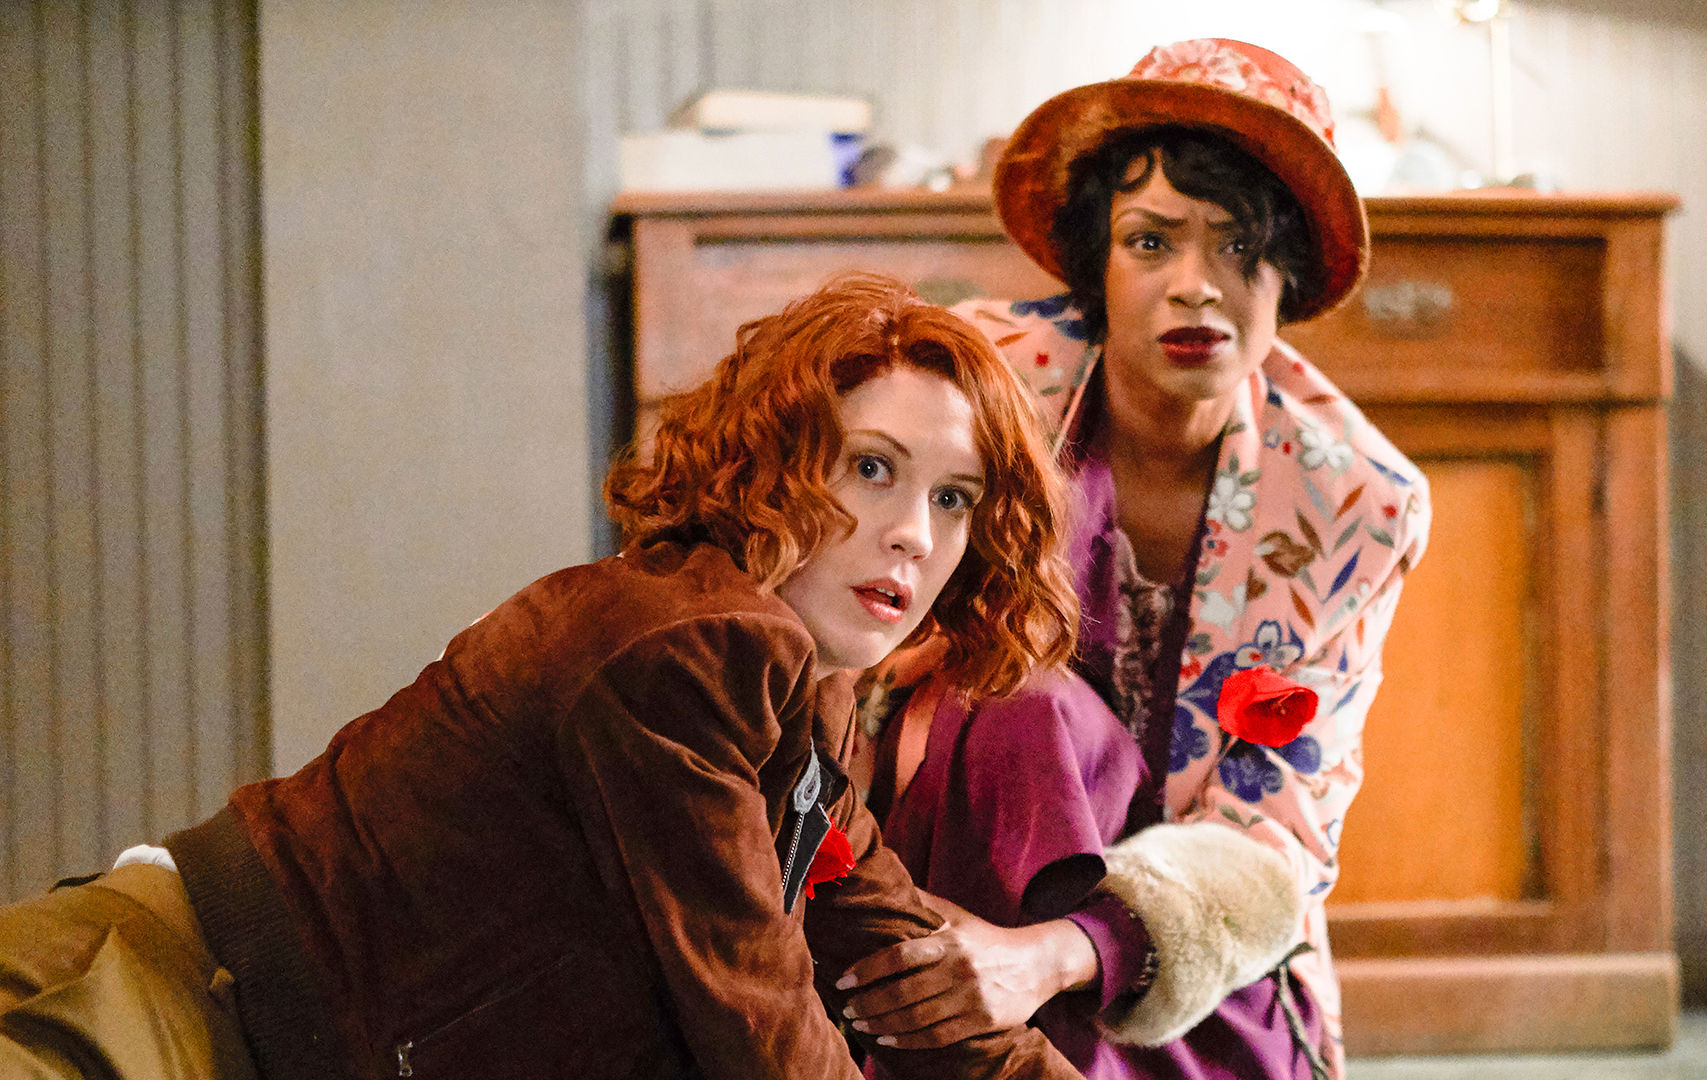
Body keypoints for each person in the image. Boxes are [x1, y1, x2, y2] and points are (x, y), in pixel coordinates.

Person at [0, 275, 1088, 1080]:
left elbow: (919, 988)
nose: (914, 535)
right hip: (148, 1014)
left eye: (955, 499)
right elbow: (760, 1025)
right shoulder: (693, 645)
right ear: (776, 462)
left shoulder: (801, 719)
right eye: (872, 468)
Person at [836, 41, 1432, 1080]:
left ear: (1288, 276)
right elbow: (838, 634)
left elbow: (1276, 831)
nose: (1195, 287)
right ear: (1096, 263)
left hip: (1190, 953)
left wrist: (1046, 958)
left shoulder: (1360, 502)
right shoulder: (977, 385)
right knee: (1019, 698)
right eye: (1151, 241)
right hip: (936, 866)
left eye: (1240, 247)